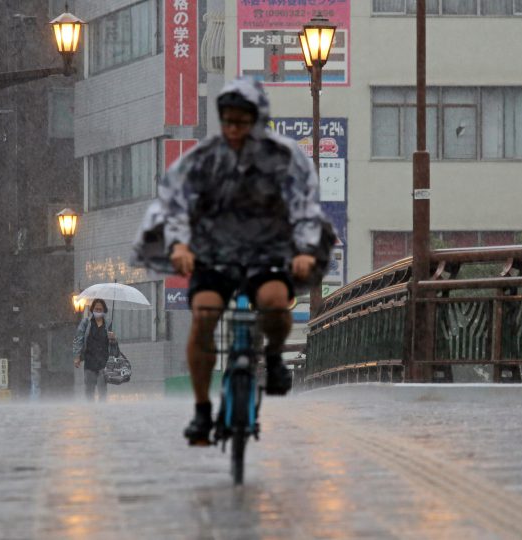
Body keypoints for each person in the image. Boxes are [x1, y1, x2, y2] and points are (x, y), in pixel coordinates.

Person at [133, 77, 334, 445]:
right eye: (229, 122)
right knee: (205, 313)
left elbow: (304, 210)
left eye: (243, 122)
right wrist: (179, 245)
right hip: (215, 257)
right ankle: (201, 410)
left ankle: (273, 358)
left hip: (265, 255)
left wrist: (304, 251)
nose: (235, 130)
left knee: (274, 302)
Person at [72, 299, 116, 402]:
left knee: (102, 391)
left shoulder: (108, 324)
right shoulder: (86, 322)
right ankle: (90, 412)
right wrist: (77, 356)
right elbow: (78, 338)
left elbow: (114, 345)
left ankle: (102, 412)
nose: (98, 311)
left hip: (103, 362)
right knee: (89, 391)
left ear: (104, 310)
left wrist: (113, 338)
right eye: (96, 309)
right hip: (89, 361)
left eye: (100, 309)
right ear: (92, 309)